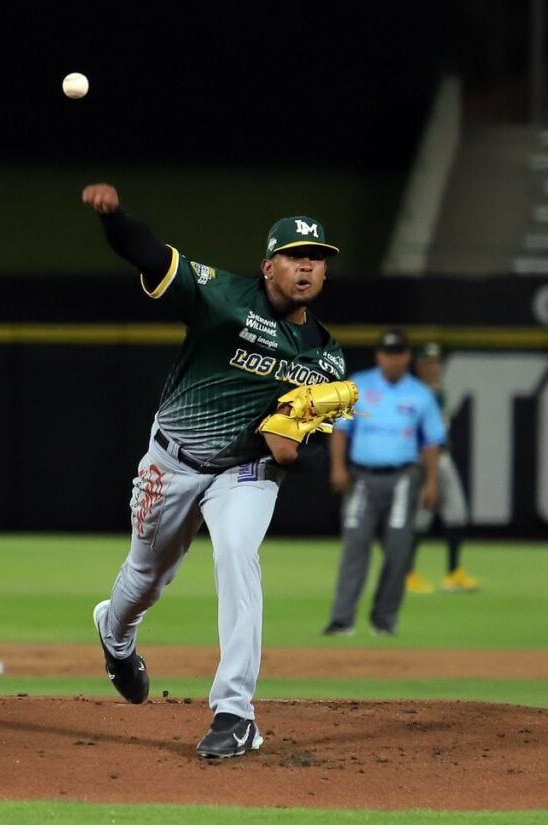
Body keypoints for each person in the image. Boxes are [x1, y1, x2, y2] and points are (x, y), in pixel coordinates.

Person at [82, 183, 347, 759]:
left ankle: (235, 713)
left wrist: (294, 455)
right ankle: (116, 636)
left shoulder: (326, 360)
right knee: (144, 579)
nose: (307, 266)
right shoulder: (221, 298)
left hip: (245, 473)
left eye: (318, 258)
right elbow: (150, 254)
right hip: (171, 460)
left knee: (236, 554)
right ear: (268, 265)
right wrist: (114, 217)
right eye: (296, 256)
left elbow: (316, 449)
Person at [323, 329, 446, 637]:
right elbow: (340, 430)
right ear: (379, 355)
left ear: (407, 357)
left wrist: (432, 483)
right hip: (362, 477)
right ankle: (342, 620)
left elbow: (431, 443)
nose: (394, 359)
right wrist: (338, 467)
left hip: (404, 477)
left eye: (399, 353)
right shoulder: (360, 385)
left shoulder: (420, 394)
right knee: (355, 546)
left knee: (398, 551)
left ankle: (384, 619)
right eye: (388, 353)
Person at [405, 342, 479, 594]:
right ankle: (408, 572)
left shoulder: (436, 390)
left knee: (455, 512)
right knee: (421, 516)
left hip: (441, 457)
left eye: (437, 361)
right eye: (428, 362)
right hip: (425, 459)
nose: (434, 366)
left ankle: (453, 571)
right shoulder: (416, 391)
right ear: (419, 366)